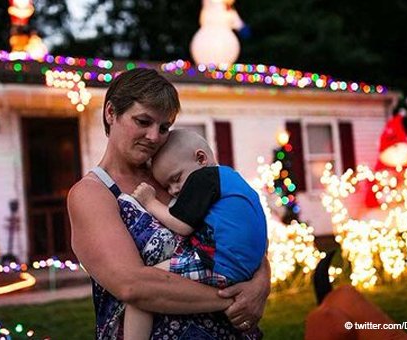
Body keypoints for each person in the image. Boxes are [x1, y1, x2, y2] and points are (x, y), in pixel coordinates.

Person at [67, 68, 271, 339]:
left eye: (164, 127)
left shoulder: (175, 175)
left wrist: (260, 282)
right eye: (143, 121)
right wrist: (233, 299)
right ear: (111, 113)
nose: (154, 136)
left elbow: (238, 229)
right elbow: (132, 286)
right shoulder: (93, 194)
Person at [124, 129, 268, 340]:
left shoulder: (204, 177)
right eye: (167, 185)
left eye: (176, 178)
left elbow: (182, 225)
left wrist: (149, 202)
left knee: (143, 291)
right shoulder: (231, 178)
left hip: (222, 266)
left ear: (201, 158)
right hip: (245, 268)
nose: (173, 189)